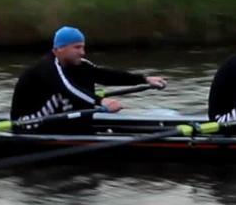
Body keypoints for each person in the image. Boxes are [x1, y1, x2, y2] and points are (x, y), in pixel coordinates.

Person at [9, 26, 167, 131]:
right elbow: (67, 89)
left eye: (83, 47)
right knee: (65, 93)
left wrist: (144, 79)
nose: (82, 52)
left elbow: (105, 75)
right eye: (77, 47)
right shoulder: (48, 67)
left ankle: (82, 128)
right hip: (25, 122)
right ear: (60, 48)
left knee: (86, 78)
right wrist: (100, 102)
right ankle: (77, 131)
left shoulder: (79, 64)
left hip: (49, 116)